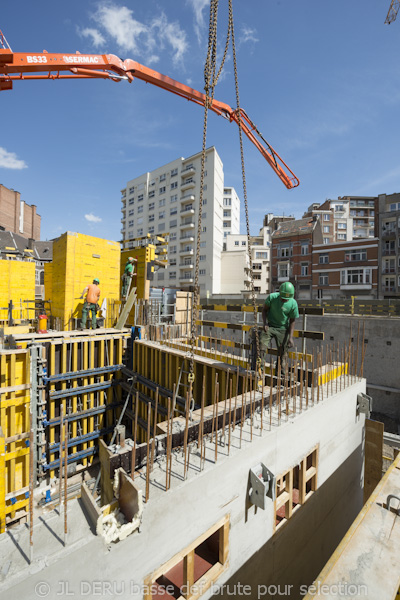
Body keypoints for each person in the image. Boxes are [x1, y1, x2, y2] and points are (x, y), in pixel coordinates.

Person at [261, 281, 299, 377]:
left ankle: (281, 374)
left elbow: (292, 321)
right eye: (282, 298)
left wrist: (290, 337)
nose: (284, 300)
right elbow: (264, 310)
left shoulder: (293, 303)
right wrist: (265, 323)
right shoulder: (272, 297)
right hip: (270, 326)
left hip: (283, 329)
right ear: (279, 294)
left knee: (283, 352)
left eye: (286, 299)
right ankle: (259, 369)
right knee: (262, 345)